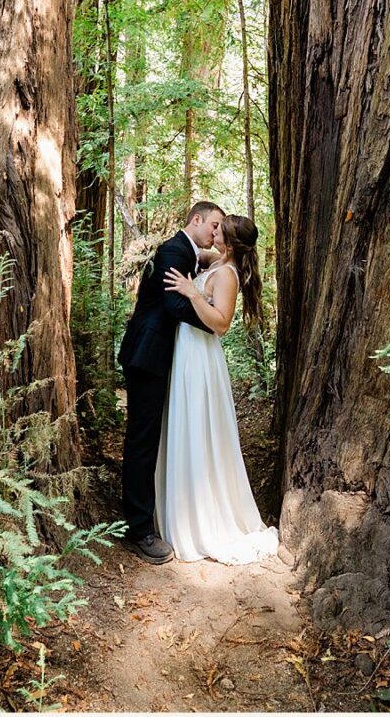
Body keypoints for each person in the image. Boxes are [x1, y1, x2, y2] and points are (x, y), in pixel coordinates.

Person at [155, 213, 279, 564]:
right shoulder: (218, 261)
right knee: (185, 422)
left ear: (230, 243)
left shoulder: (226, 275)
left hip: (201, 354)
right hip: (187, 349)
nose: (214, 231)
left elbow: (221, 324)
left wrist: (192, 293)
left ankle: (202, 521)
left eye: (219, 230)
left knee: (197, 425)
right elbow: (198, 251)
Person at [116, 201, 224, 563]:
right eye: (213, 225)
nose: (215, 233)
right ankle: (139, 529)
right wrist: (215, 319)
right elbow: (174, 307)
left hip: (156, 356)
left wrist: (217, 259)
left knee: (151, 437)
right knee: (143, 440)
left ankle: (149, 513)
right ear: (196, 220)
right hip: (146, 356)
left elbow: (204, 259)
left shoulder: (186, 251)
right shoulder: (174, 251)